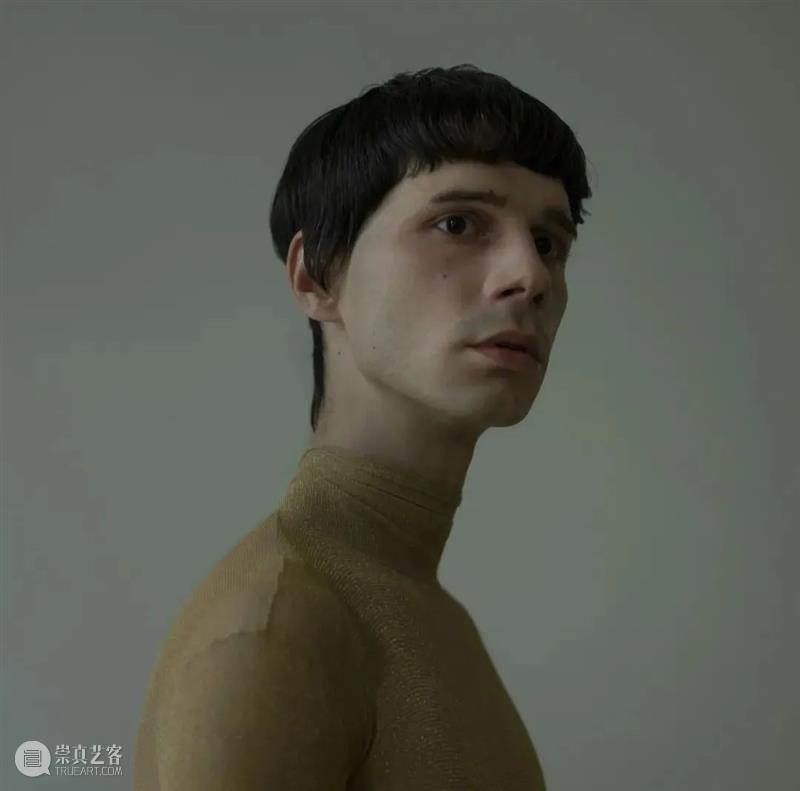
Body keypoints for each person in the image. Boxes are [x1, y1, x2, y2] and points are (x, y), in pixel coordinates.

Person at [134, 63, 592, 790]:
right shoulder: (275, 629)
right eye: (458, 223)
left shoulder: (420, 610)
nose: (530, 275)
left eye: (548, 243)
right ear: (316, 275)